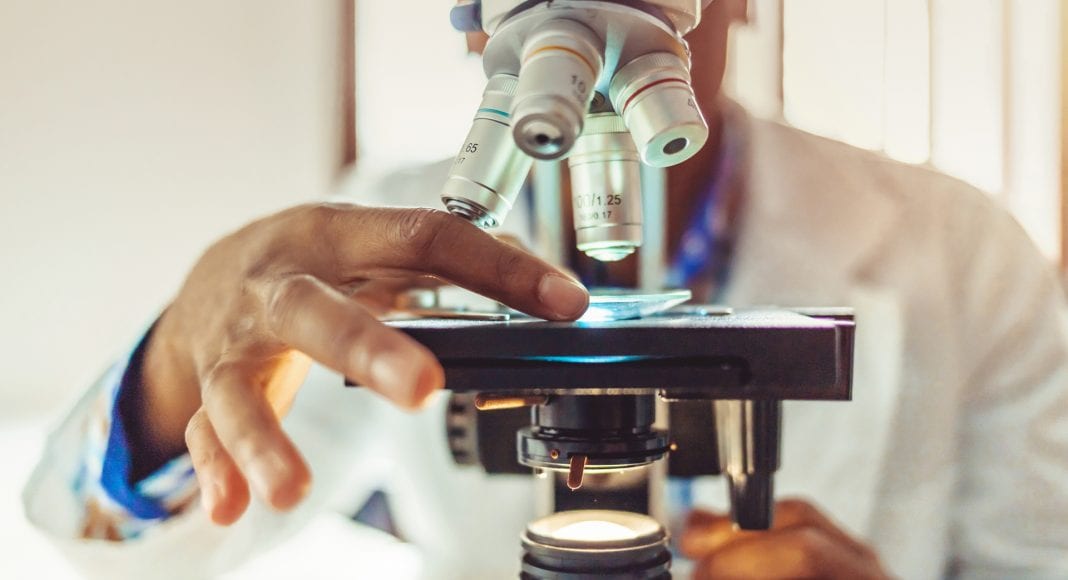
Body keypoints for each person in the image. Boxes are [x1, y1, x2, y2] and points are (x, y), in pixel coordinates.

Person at [24, 1, 1068, 578]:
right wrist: (179, 359)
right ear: (477, 23)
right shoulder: (374, 239)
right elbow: (119, 556)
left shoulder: (962, 252)